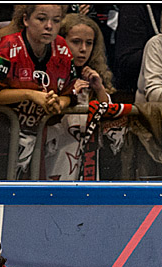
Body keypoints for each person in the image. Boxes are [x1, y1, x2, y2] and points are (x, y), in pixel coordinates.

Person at [0, 4, 77, 179]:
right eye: (41, 19)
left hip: (39, 140)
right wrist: (29, 94)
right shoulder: (6, 46)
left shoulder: (62, 48)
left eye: (56, 20)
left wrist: (59, 103)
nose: (49, 26)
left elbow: (71, 91)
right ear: (25, 19)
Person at [45, 12, 132, 181]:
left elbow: (111, 125)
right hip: (53, 158)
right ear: (61, 41)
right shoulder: (48, 74)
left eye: (89, 43)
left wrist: (99, 89)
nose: (83, 49)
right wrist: (69, 92)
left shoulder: (93, 79)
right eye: (76, 42)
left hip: (86, 165)